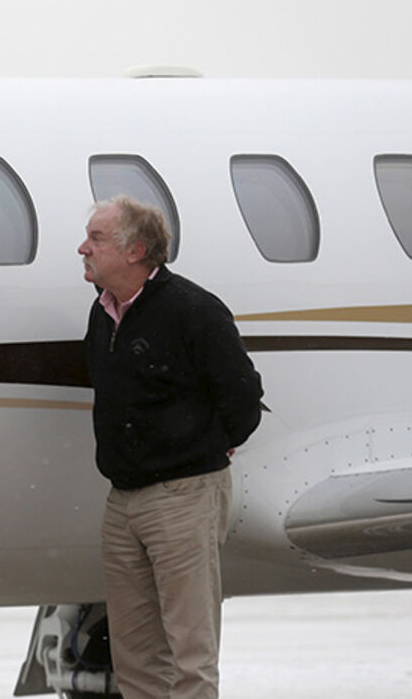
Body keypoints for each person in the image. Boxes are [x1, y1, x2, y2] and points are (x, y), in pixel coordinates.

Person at [78, 196, 262, 699]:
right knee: (135, 657)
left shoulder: (193, 311)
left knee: (190, 653)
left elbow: (244, 399)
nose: (82, 249)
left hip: (183, 497)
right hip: (123, 501)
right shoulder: (103, 314)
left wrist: (205, 451)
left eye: (95, 239)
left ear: (136, 250)